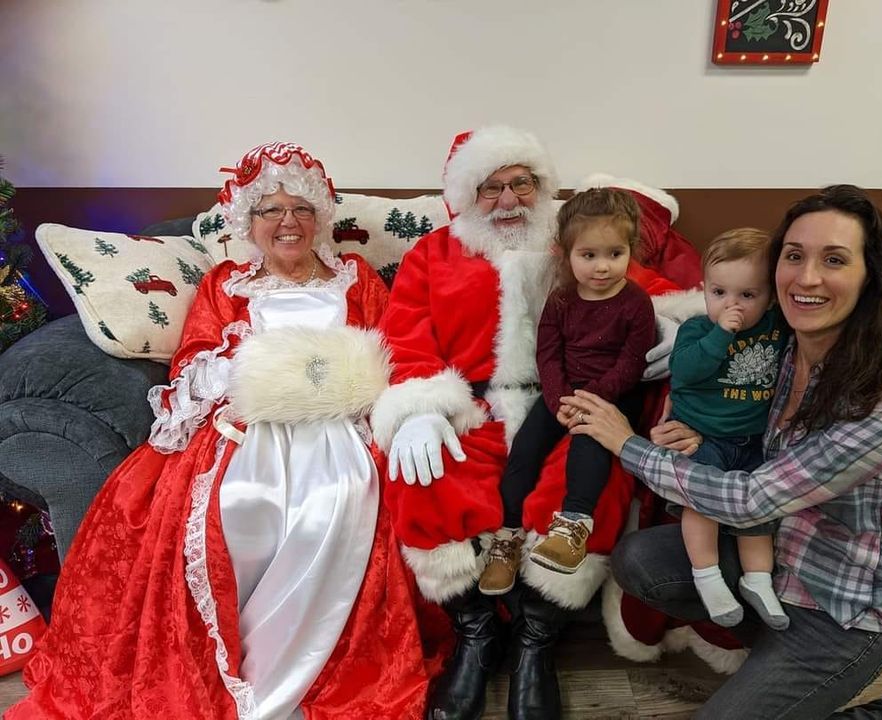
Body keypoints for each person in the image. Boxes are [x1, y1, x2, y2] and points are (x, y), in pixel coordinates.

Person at [8, 142, 436, 720]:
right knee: (236, 506)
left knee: (343, 498)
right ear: (249, 222)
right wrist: (236, 369)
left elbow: (395, 353)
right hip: (248, 426)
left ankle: (307, 667)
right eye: (271, 211)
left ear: (319, 218)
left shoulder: (355, 279)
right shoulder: (227, 284)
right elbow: (194, 361)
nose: (288, 222)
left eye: (300, 210)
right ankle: (234, 667)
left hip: (340, 425)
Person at [561, 184, 882, 719]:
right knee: (640, 561)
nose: (808, 277)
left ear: (872, 278)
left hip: (842, 607)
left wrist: (624, 442)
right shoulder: (779, 343)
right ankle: (769, 663)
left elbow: (751, 500)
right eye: (794, 256)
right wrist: (703, 436)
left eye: (834, 260)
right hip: (771, 564)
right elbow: (718, 396)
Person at [371, 125, 704, 720]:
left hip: (574, 403)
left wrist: (681, 329)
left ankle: (535, 640)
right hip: (469, 409)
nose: (508, 200)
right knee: (424, 480)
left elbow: (647, 289)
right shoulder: (431, 256)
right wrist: (419, 406)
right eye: (490, 187)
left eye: (520, 183)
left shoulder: (574, 243)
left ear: (541, 185)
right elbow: (406, 336)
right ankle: (474, 634)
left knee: (586, 484)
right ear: (466, 196)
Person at [478, 187, 656, 597]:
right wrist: (560, 400)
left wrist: (589, 402)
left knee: (588, 447)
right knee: (524, 451)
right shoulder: (561, 300)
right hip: (563, 392)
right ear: (566, 253)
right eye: (588, 255)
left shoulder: (636, 303)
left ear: (630, 251)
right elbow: (548, 353)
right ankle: (507, 537)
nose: (602, 267)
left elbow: (632, 362)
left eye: (615, 254)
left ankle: (573, 525)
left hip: (612, 393)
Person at [668, 228, 789, 631]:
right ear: (704, 290)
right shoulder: (698, 330)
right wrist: (721, 335)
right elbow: (685, 373)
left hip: (754, 439)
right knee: (700, 503)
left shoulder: (776, 328)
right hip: (703, 434)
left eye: (747, 296)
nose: (730, 305)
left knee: (756, 510)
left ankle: (758, 580)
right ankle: (708, 577)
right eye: (719, 293)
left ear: (770, 296)